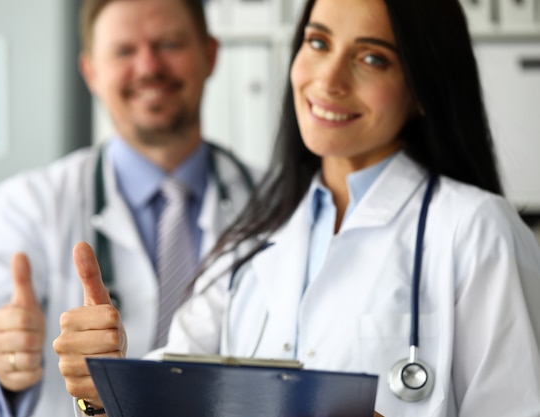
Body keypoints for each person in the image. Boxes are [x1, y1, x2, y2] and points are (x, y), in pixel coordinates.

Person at [53, 0, 540, 415]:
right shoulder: (250, 240)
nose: (328, 80)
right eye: (319, 42)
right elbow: (178, 393)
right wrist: (105, 387)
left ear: (423, 88)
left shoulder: (477, 231)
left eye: (372, 58)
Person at [0, 0, 257, 416]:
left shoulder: (280, 202)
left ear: (210, 54)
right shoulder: (31, 204)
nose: (148, 66)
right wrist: (2, 363)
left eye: (170, 44)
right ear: (91, 72)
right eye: (124, 51)